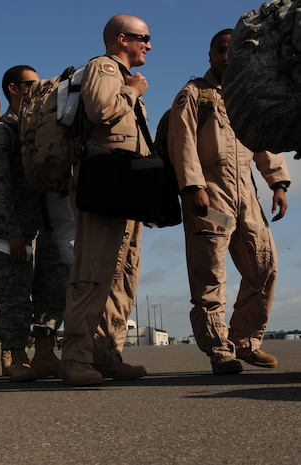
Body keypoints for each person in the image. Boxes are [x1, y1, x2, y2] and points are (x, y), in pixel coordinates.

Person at [167, 29, 291, 375]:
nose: (225, 57)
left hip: (246, 197)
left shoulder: (246, 96)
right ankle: (220, 349)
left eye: (231, 51)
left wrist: (277, 183)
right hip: (212, 199)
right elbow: (182, 144)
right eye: (220, 50)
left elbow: (263, 138)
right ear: (210, 55)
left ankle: (246, 342)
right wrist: (194, 188)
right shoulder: (193, 95)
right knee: (210, 275)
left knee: (264, 267)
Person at [59, 14, 152, 386]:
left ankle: (107, 353)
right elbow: (100, 109)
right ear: (121, 38)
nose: (148, 44)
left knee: (122, 273)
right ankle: (76, 357)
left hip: (125, 184)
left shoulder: (124, 77)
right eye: (143, 37)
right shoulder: (105, 67)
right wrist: (133, 91)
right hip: (102, 182)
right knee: (93, 270)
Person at [0, 65, 67, 383]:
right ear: (12, 88)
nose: (38, 88)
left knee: (51, 291)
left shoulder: (41, 126)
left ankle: (45, 355)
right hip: (16, 231)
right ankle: (18, 358)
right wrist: (11, 231)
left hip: (47, 228)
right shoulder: (3, 131)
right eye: (31, 84)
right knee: (16, 297)